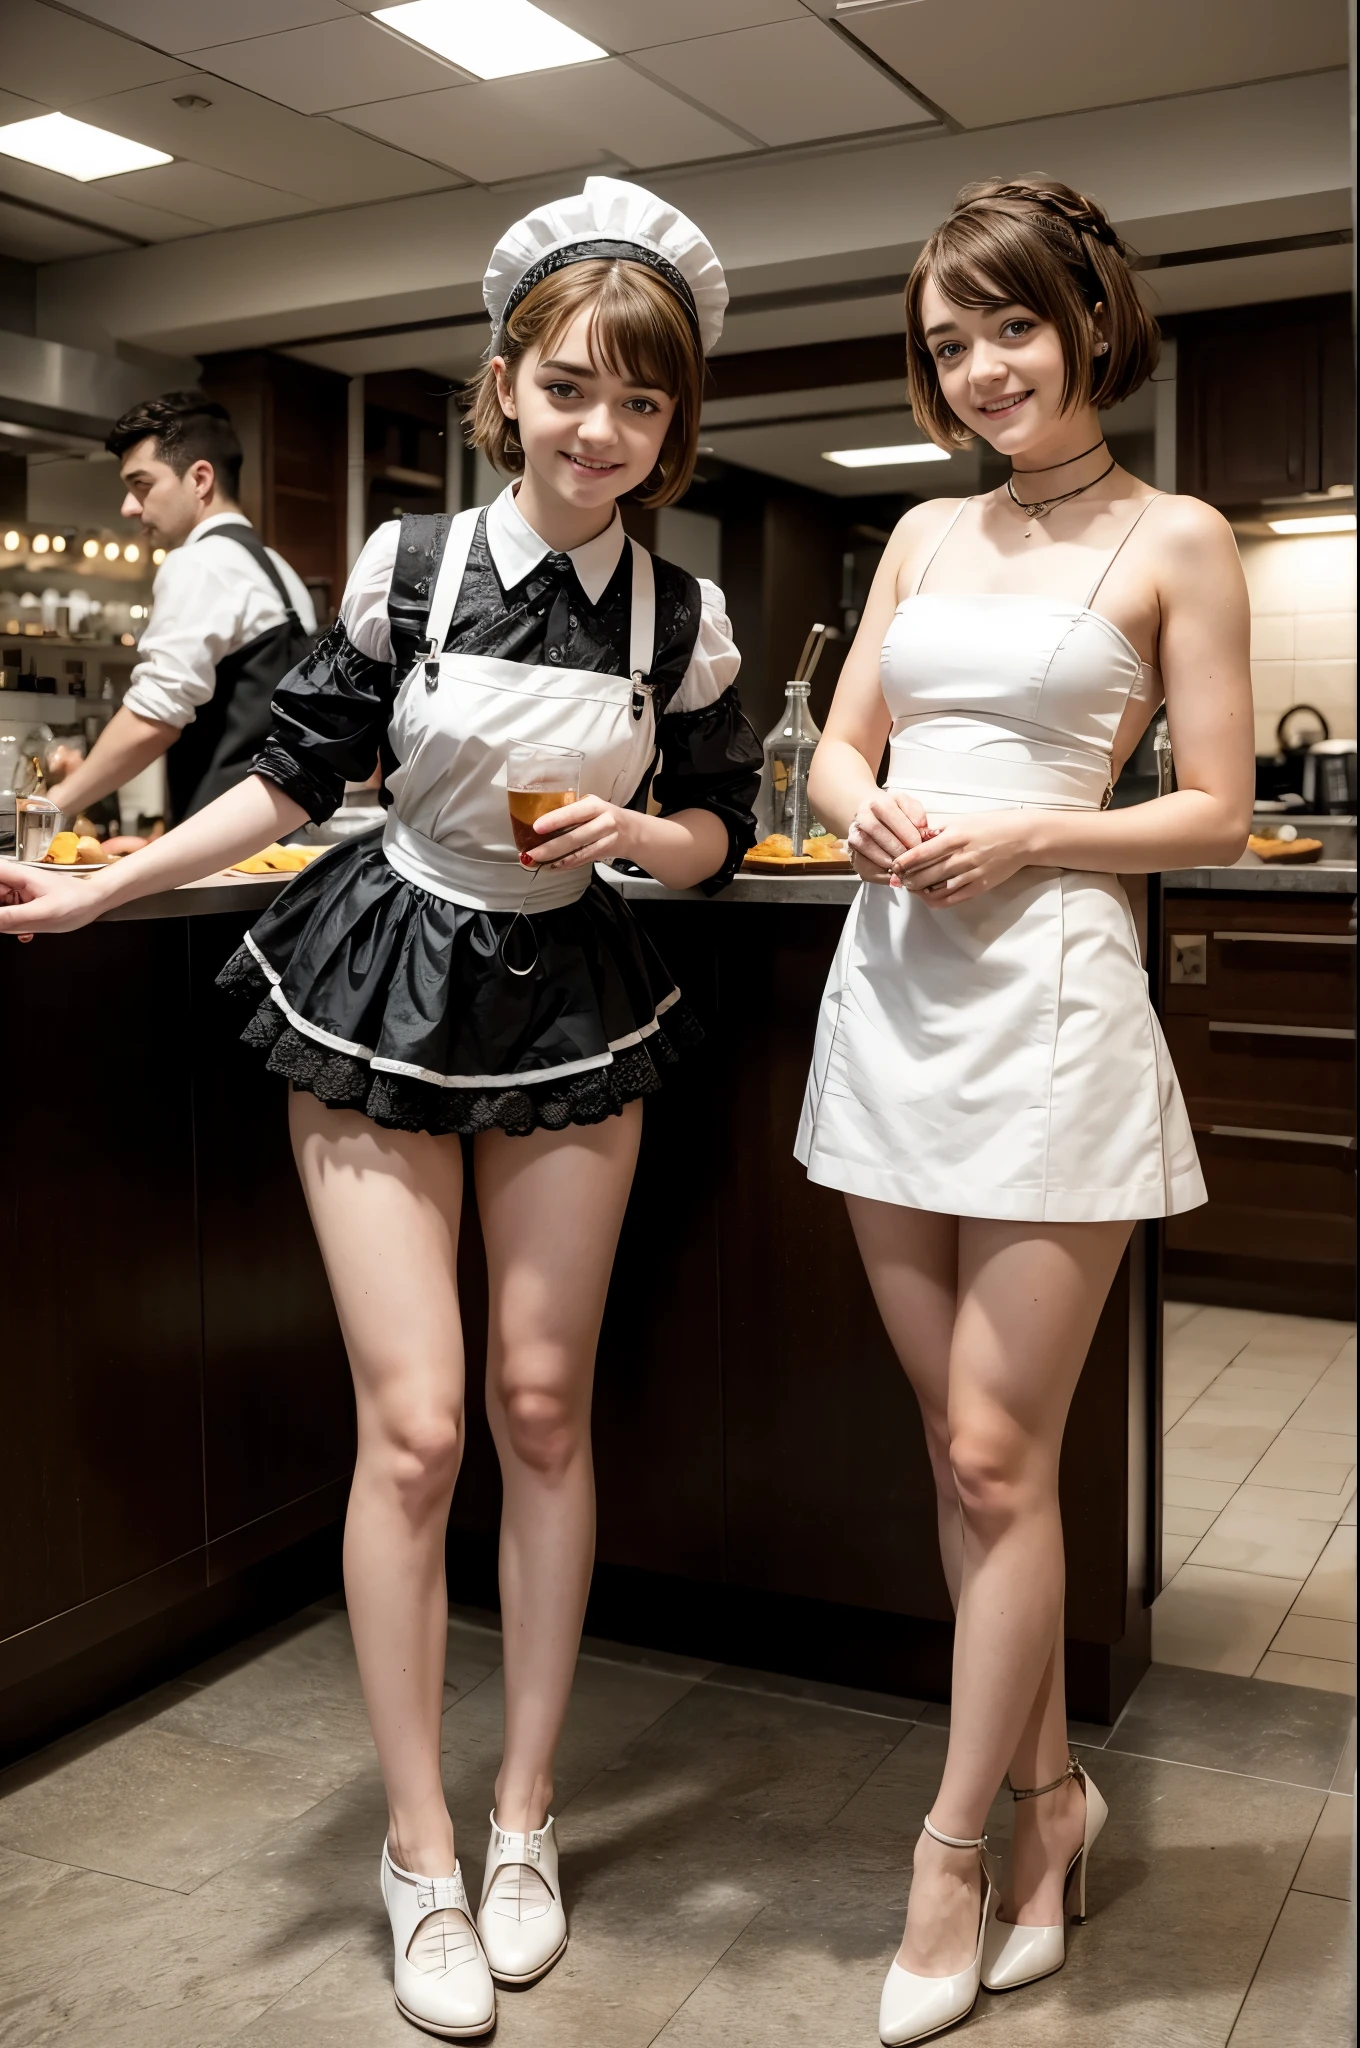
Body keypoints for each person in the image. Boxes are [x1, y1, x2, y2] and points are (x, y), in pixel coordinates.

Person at [0, 177, 760, 2040]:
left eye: (642, 401)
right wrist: (109, 881)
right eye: (570, 385)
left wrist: (647, 833)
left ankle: (526, 1816)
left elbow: (720, 825)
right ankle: (418, 1841)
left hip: (573, 985)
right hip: (380, 968)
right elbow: (285, 768)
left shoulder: (682, 617)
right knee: (417, 1431)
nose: (602, 428)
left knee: (539, 1404)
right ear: (505, 384)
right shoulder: (408, 571)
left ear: (675, 427)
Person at [795, 177, 1252, 2046]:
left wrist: (1034, 825)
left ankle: (952, 1849)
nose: (979, 365)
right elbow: (841, 737)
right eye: (948, 338)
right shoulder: (917, 531)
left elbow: (1214, 806)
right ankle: (1058, 1804)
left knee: (998, 1455)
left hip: (1055, 1001)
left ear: (1085, 318)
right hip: (893, 994)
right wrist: (862, 800)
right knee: (961, 1457)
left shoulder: (1182, 534)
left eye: (1007, 325)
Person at [46, 392, 316, 828]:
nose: (129, 506)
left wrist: (53, 805)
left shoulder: (199, 562)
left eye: (142, 485)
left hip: (220, 851)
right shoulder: (277, 570)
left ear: (200, 479)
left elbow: (155, 716)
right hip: (274, 840)